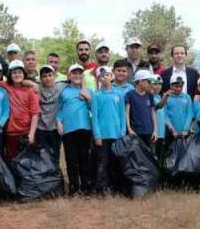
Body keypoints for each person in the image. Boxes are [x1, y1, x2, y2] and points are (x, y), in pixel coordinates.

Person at [89, 66, 126, 194]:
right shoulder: (96, 95)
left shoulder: (119, 94)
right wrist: (97, 135)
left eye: (107, 75)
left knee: (115, 161)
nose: (105, 78)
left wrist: (122, 132)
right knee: (103, 162)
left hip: (116, 134)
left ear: (112, 76)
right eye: (102, 76)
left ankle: (115, 187)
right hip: (103, 135)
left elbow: (122, 115)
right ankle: (102, 188)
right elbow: (95, 117)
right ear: (99, 79)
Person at [58, 64, 93, 195]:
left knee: (85, 159)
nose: (77, 75)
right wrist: (58, 122)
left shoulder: (89, 91)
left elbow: (94, 109)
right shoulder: (64, 92)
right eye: (74, 73)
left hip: (85, 128)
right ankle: (74, 187)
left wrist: (88, 98)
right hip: (69, 130)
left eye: (79, 73)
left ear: (83, 76)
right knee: (71, 160)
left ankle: (86, 187)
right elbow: (60, 109)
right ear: (69, 76)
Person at [0, 60, 39, 159]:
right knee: (12, 160)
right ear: (10, 74)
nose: (17, 75)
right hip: (11, 132)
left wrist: (32, 133)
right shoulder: (5, 86)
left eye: (20, 72)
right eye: (14, 72)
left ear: (24, 74)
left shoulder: (30, 91)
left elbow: (35, 114)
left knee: (27, 163)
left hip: (26, 132)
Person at [36, 65, 68, 157]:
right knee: (43, 156)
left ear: (54, 76)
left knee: (55, 155)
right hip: (41, 128)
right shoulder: (37, 88)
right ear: (41, 78)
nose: (48, 78)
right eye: (44, 76)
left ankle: (56, 171)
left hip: (55, 128)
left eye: (50, 75)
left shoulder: (61, 86)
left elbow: (76, 80)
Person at [125, 69, 158, 147]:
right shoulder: (129, 95)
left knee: (149, 156)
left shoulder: (150, 95)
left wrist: (155, 130)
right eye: (148, 82)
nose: (150, 84)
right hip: (135, 132)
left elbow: (153, 113)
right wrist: (129, 129)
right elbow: (126, 113)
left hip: (149, 131)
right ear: (140, 81)